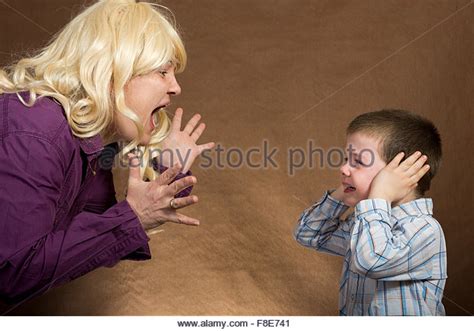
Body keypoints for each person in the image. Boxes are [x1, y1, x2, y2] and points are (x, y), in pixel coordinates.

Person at [0, 0, 214, 305]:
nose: (176, 87)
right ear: (113, 71)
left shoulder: (87, 138)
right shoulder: (36, 129)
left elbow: (92, 235)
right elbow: (13, 274)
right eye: (162, 70)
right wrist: (134, 216)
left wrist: (165, 169)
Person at [294, 109, 447, 316]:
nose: (344, 168)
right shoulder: (364, 222)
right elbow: (309, 234)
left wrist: (379, 194)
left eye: (358, 162)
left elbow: (372, 261)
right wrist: (347, 188)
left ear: (403, 172)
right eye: (347, 159)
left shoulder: (425, 231)